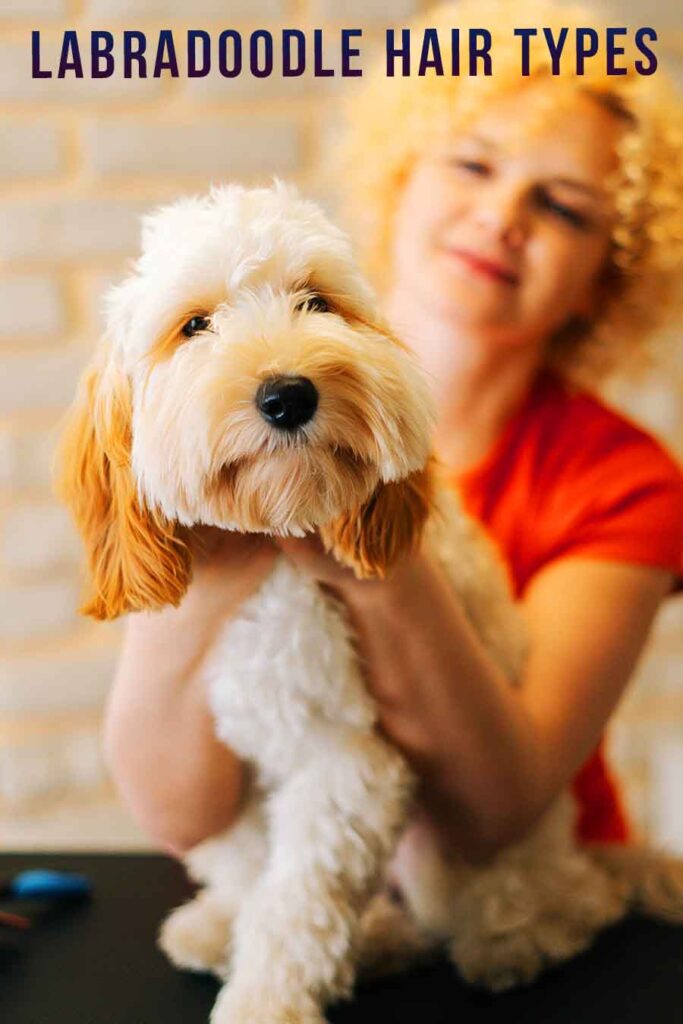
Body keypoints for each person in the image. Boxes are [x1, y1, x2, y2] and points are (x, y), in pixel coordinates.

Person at [104, 0, 683, 866]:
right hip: (308, 887)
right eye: (472, 164)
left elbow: (496, 812)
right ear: (399, 176)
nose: (501, 216)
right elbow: (183, 819)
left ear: (608, 274)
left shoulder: (628, 484)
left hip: (528, 902)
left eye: (562, 208)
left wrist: (378, 539)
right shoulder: (232, 424)